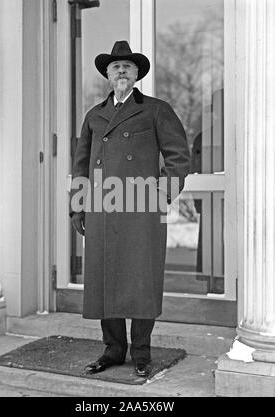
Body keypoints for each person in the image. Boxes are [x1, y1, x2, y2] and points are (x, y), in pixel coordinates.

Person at [70, 40, 190, 377]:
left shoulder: (156, 109)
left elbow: (179, 157)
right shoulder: (94, 116)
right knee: (105, 279)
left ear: (137, 74)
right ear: (107, 75)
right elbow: (81, 164)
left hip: (140, 208)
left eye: (127, 66)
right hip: (101, 208)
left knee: (140, 281)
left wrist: (159, 194)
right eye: (115, 66)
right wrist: (78, 207)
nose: (121, 70)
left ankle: (141, 353)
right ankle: (113, 350)